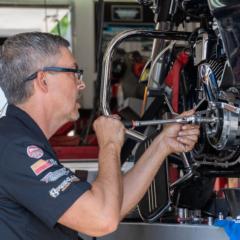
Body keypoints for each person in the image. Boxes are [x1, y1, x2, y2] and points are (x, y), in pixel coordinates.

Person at [0, 32, 199, 240]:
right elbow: (103, 219)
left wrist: (162, 144)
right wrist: (110, 145)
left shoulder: (20, 141)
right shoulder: (15, 149)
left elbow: (111, 205)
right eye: (74, 73)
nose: (81, 84)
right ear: (43, 81)